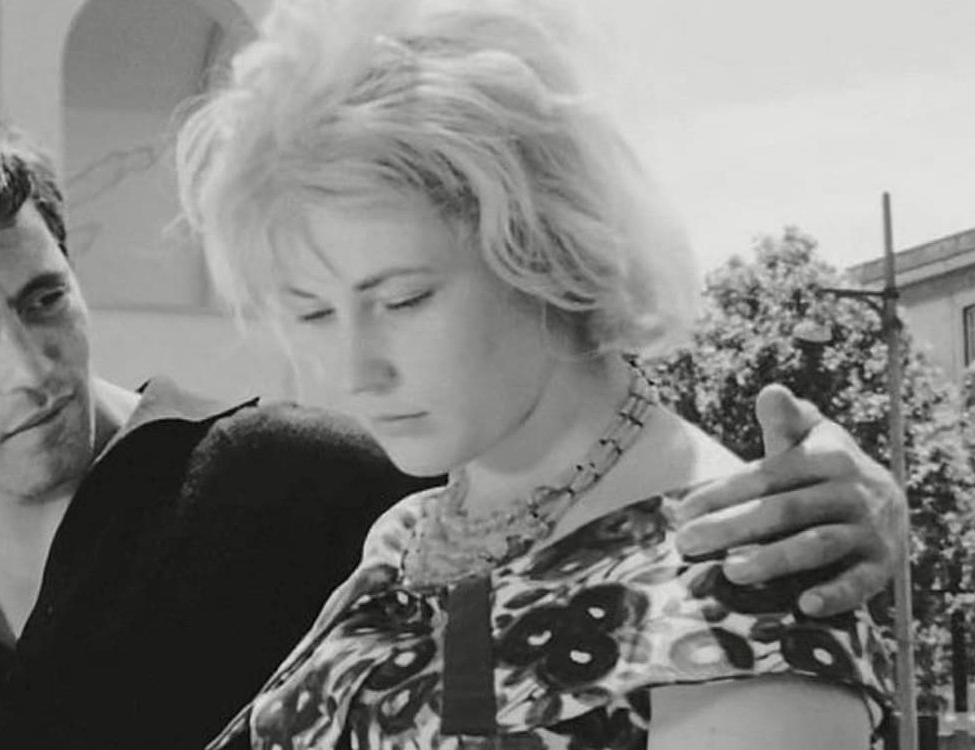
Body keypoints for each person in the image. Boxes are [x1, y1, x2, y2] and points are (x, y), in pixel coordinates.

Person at [0, 94, 903, 750]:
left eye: (44, 299)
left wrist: (840, 501)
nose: (30, 369)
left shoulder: (296, 480)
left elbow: (572, 496)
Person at [173, 1, 892, 748]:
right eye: (313, 313)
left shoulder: (739, 592)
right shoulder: (408, 539)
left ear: (545, 251)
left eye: (404, 299)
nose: (354, 370)